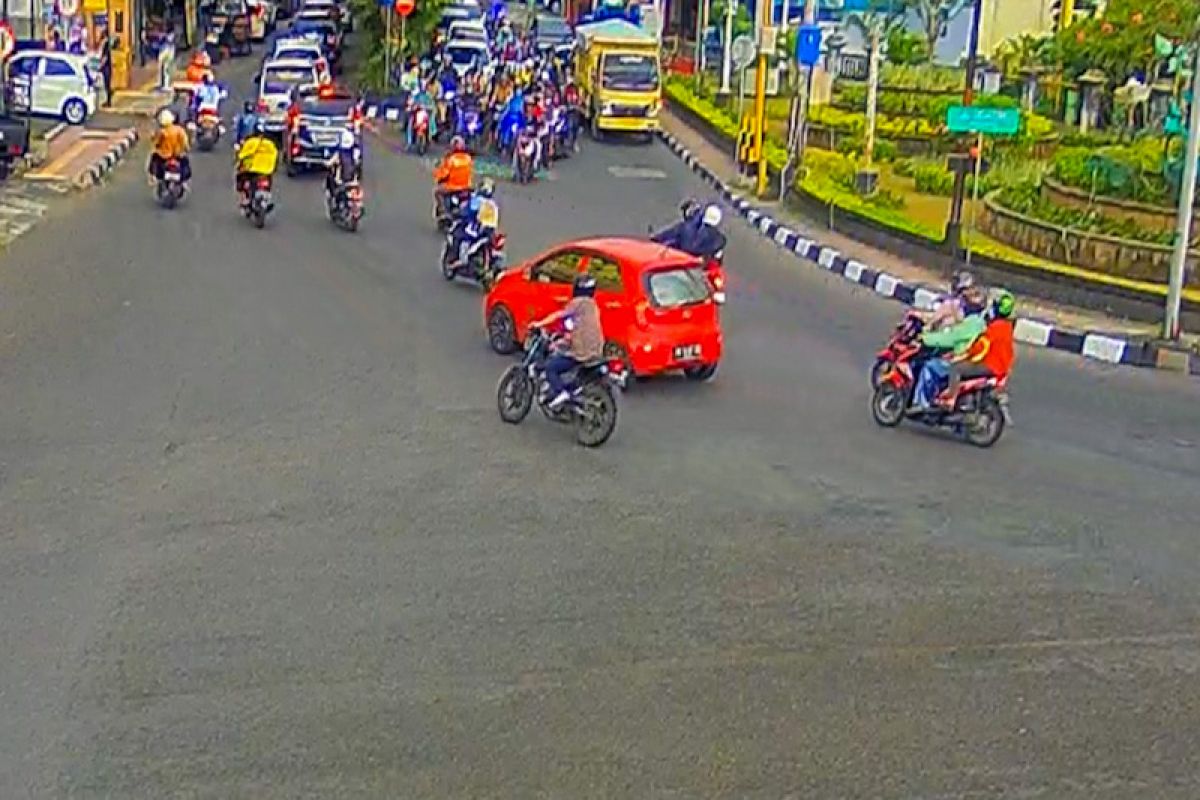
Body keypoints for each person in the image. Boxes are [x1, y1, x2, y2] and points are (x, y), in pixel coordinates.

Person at [532, 274, 605, 410]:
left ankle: (561, 393)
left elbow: (559, 315)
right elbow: (581, 330)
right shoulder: (593, 306)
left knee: (550, 367)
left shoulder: (577, 303)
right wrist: (564, 339)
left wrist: (539, 324)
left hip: (582, 352)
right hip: (597, 350)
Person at [911, 287, 988, 410]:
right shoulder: (982, 324)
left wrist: (925, 338)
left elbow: (949, 339)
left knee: (929, 366)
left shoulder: (969, 324)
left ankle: (920, 403)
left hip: (960, 359)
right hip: (970, 359)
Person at [937, 290, 1016, 408]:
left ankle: (950, 399)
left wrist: (963, 355)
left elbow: (980, 347)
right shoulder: (1007, 326)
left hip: (990, 365)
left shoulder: (994, 328)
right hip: (1001, 366)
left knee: (956, 368)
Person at [652, 203, 727, 260]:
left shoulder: (685, 227)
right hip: (698, 266)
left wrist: (655, 239)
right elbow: (717, 258)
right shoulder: (720, 240)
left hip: (679, 259)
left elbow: (667, 235)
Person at [234, 119, 279, 207]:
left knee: (240, 178)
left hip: (252, 170)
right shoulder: (270, 144)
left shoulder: (250, 142)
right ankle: (266, 199)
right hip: (267, 170)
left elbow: (242, 155)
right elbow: (275, 157)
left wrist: (238, 161)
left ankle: (245, 199)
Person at [148, 108, 192, 186]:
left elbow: (157, 143)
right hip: (178, 155)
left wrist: (155, 145)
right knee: (186, 163)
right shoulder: (179, 130)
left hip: (164, 156)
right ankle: (185, 180)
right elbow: (185, 142)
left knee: (154, 159)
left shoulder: (162, 132)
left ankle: (153, 177)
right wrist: (186, 149)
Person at [433, 135, 474, 210]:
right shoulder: (468, 159)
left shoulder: (450, 159)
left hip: (452, 187)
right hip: (467, 187)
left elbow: (443, 174)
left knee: (437, 191)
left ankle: (442, 209)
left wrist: (436, 173)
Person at [325, 128, 362, 201]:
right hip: (354, 182)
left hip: (341, 182)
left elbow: (329, 163)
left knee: (331, 180)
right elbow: (358, 163)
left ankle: (333, 198)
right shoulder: (356, 152)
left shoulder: (339, 153)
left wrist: (327, 164)